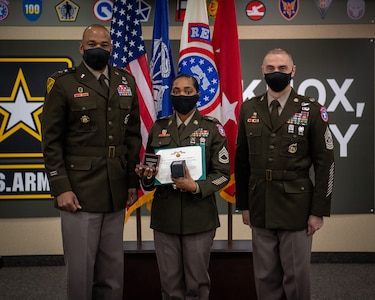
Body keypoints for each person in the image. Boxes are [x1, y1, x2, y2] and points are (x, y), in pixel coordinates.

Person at [41, 24, 141, 300]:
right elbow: (50, 141)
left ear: (112, 47)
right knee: (81, 274)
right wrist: (61, 187)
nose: (98, 47)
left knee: (112, 273)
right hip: (79, 191)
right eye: (92, 43)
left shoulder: (125, 81)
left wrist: (132, 182)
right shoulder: (63, 83)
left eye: (104, 44)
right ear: (81, 47)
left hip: (116, 188)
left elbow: (132, 137)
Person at [235, 48, 335, 300]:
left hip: (296, 206)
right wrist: (244, 206)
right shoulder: (249, 108)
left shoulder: (311, 109)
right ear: (262, 71)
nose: (275, 73)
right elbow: (242, 162)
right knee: (264, 276)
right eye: (270, 68)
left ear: (293, 70)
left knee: (296, 277)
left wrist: (318, 211)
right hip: (260, 204)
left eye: (281, 68)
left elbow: (326, 164)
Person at [136, 74, 230, 300]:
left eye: (188, 91)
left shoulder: (212, 128)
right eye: (176, 91)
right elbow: (150, 174)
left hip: (198, 217)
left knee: (197, 285)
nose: (181, 95)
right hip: (165, 217)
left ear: (198, 94)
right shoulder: (159, 128)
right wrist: (146, 177)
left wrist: (196, 187)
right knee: (169, 286)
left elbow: (223, 175)